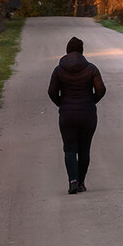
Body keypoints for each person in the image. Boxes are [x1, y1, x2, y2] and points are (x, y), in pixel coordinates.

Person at [47, 36, 106, 193]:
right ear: (81, 51)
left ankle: (72, 181)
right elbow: (101, 90)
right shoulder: (91, 69)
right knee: (84, 149)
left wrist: (62, 103)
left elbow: (51, 92)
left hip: (67, 114)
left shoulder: (59, 70)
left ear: (67, 51)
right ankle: (81, 182)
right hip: (87, 114)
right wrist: (91, 101)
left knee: (70, 149)